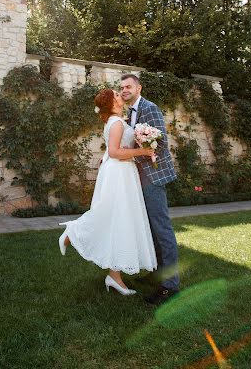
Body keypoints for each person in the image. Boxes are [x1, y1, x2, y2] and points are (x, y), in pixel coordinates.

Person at [58, 88, 157, 296]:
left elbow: (111, 150)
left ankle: (114, 276)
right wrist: (143, 151)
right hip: (119, 174)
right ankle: (73, 232)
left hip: (122, 172)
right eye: (117, 95)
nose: (121, 96)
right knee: (112, 216)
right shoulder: (117, 123)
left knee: (120, 221)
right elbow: (114, 152)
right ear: (112, 103)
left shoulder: (115, 121)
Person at [120, 74, 180, 305]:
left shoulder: (149, 108)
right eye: (122, 87)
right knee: (151, 229)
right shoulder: (130, 113)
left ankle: (170, 285)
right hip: (139, 177)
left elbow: (161, 141)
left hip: (153, 176)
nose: (125, 90)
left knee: (162, 230)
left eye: (129, 87)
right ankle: (158, 272)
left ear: (138, 88)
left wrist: (142, 147)